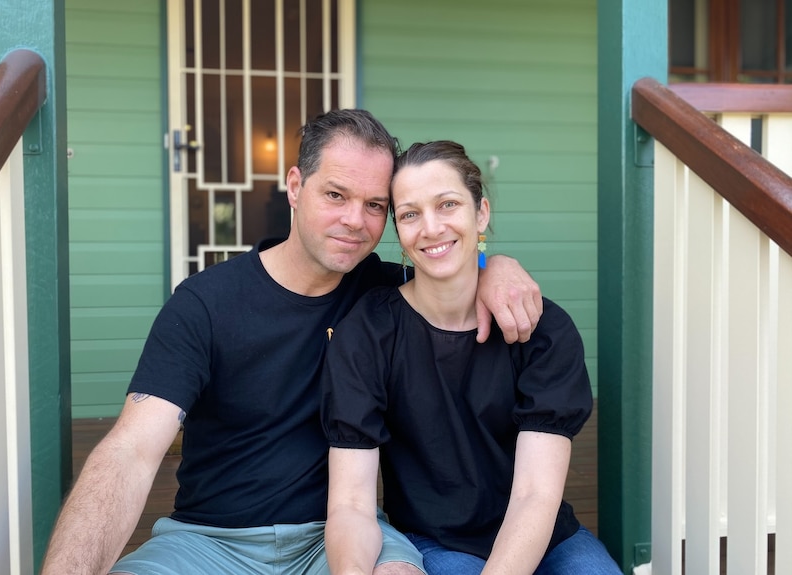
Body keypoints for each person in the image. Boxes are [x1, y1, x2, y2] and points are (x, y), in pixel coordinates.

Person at [40, 112, 543, 575]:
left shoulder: (390, 295)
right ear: (295, 186)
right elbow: (129, 452)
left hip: (343, 534)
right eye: (336, 195)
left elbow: (451, 264)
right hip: (207, 543)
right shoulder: (206, 303)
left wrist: (493, 267)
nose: (355, 220)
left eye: (375, 205)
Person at [321, 140, 622, 575]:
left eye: (447, 204)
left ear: (480, 213)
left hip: (547, 537)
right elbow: (350, 503)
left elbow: (535, 495)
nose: (430, 228)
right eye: (409, 214)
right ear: (399, 233)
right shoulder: (370, 331)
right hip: (438, 542)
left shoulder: (542, 330)